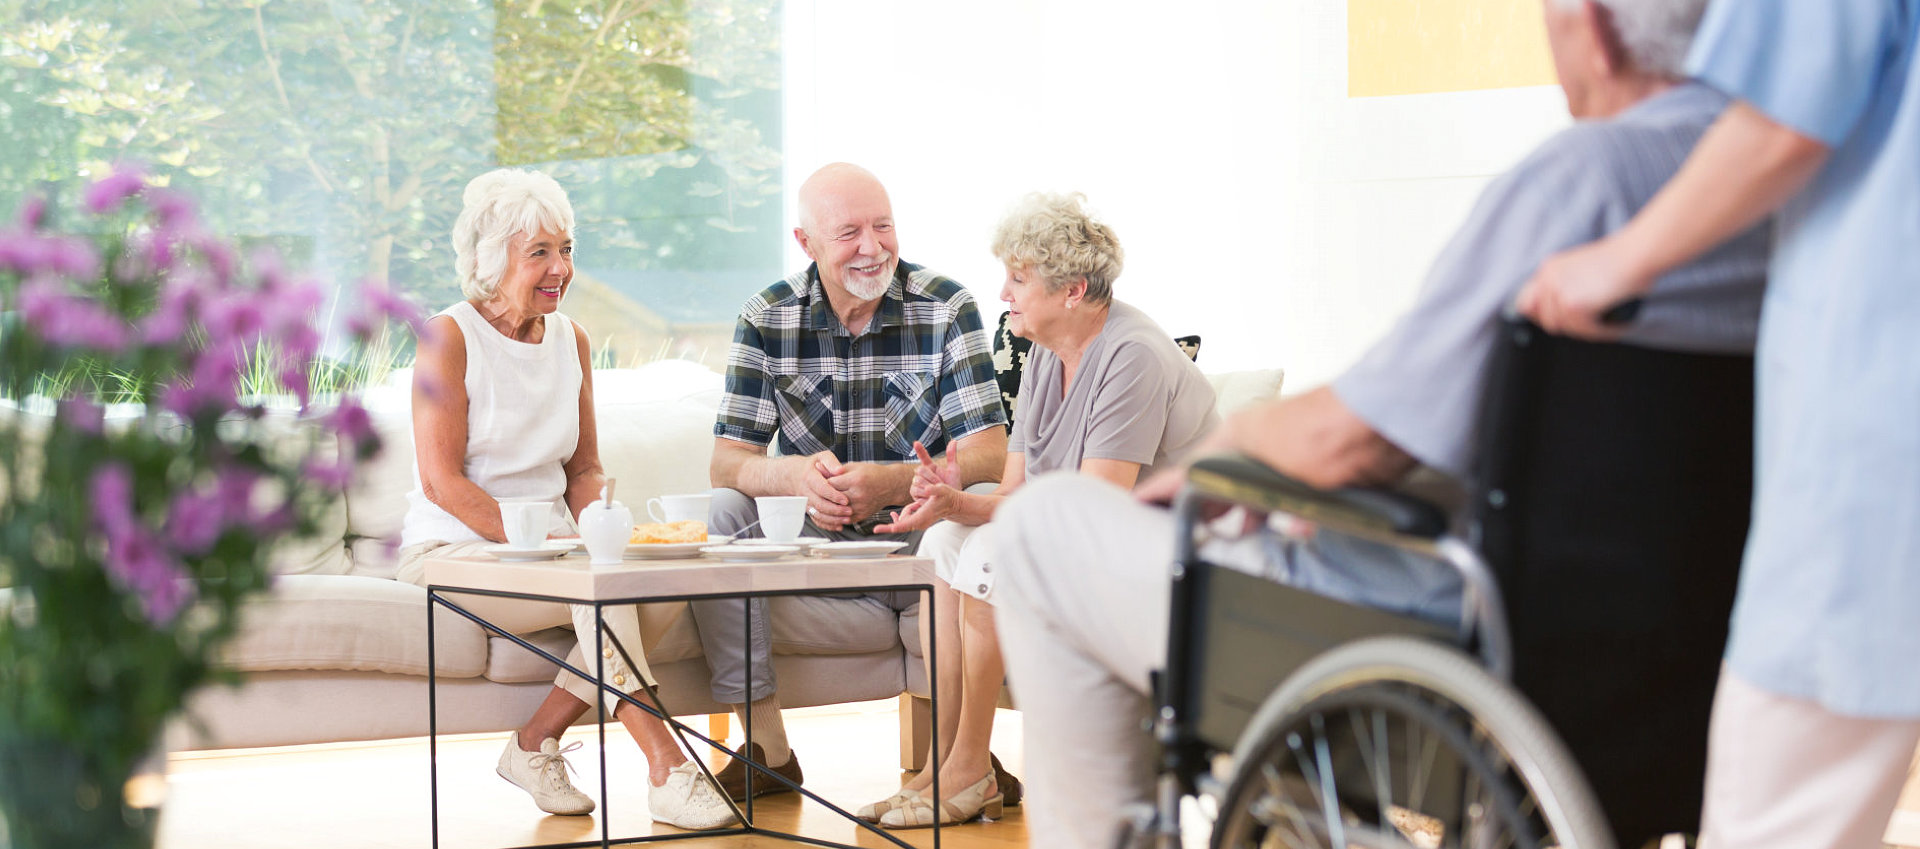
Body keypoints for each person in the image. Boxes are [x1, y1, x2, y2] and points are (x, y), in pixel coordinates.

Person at [985, 1, 1770, 846]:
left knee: (1038, 533)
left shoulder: (1586, 179)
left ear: (1592, 25)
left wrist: (1236, 446)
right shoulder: (1785, 191)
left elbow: (1355, 437)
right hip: (1678, 657)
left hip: (1446, 629)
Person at [1517, 0, 1920, 845]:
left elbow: (1789, 114)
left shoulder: (1585, 177)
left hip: (1876, 457)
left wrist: (1617, 263)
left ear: (1588, 30)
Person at [853, 192, 1219, 828]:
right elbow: (1018, 489)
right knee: (944, 543)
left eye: (1018, 279)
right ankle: (947, 761)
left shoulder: (1131, 355)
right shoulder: (1047, 351)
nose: (1003, 293)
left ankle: (971, 767)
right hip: (1094, 531)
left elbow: (1092, 504)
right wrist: (948, 499)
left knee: (996, 548)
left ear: (1073, 290)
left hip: (1168, 549)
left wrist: (976, 509)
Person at [397, 168, 734, 830]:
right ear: (494, 262)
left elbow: (583, 467)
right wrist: (538, 544)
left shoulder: (571, 339)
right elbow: (441, 480)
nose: (561, 268)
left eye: (568, 248)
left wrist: (603, 527)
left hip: (550, 552)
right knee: (595, 588)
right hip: (454, 549)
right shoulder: (450, 337)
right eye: (540, 253)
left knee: (658, 580)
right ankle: (668, 766)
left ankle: (533, 742)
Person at [696, 162, 1010, 800]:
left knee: (976, 505)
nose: (873, 247)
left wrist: (897, 483)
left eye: (884, 226)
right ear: (806, 243)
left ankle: (961, 756)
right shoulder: (767, 317)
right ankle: (766, 749)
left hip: (925, 537)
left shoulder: (946, 306)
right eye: (850, 233)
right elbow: (728, 462)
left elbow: (990, 456)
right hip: (816, 544)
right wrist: (794, 477)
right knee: (725, 510)